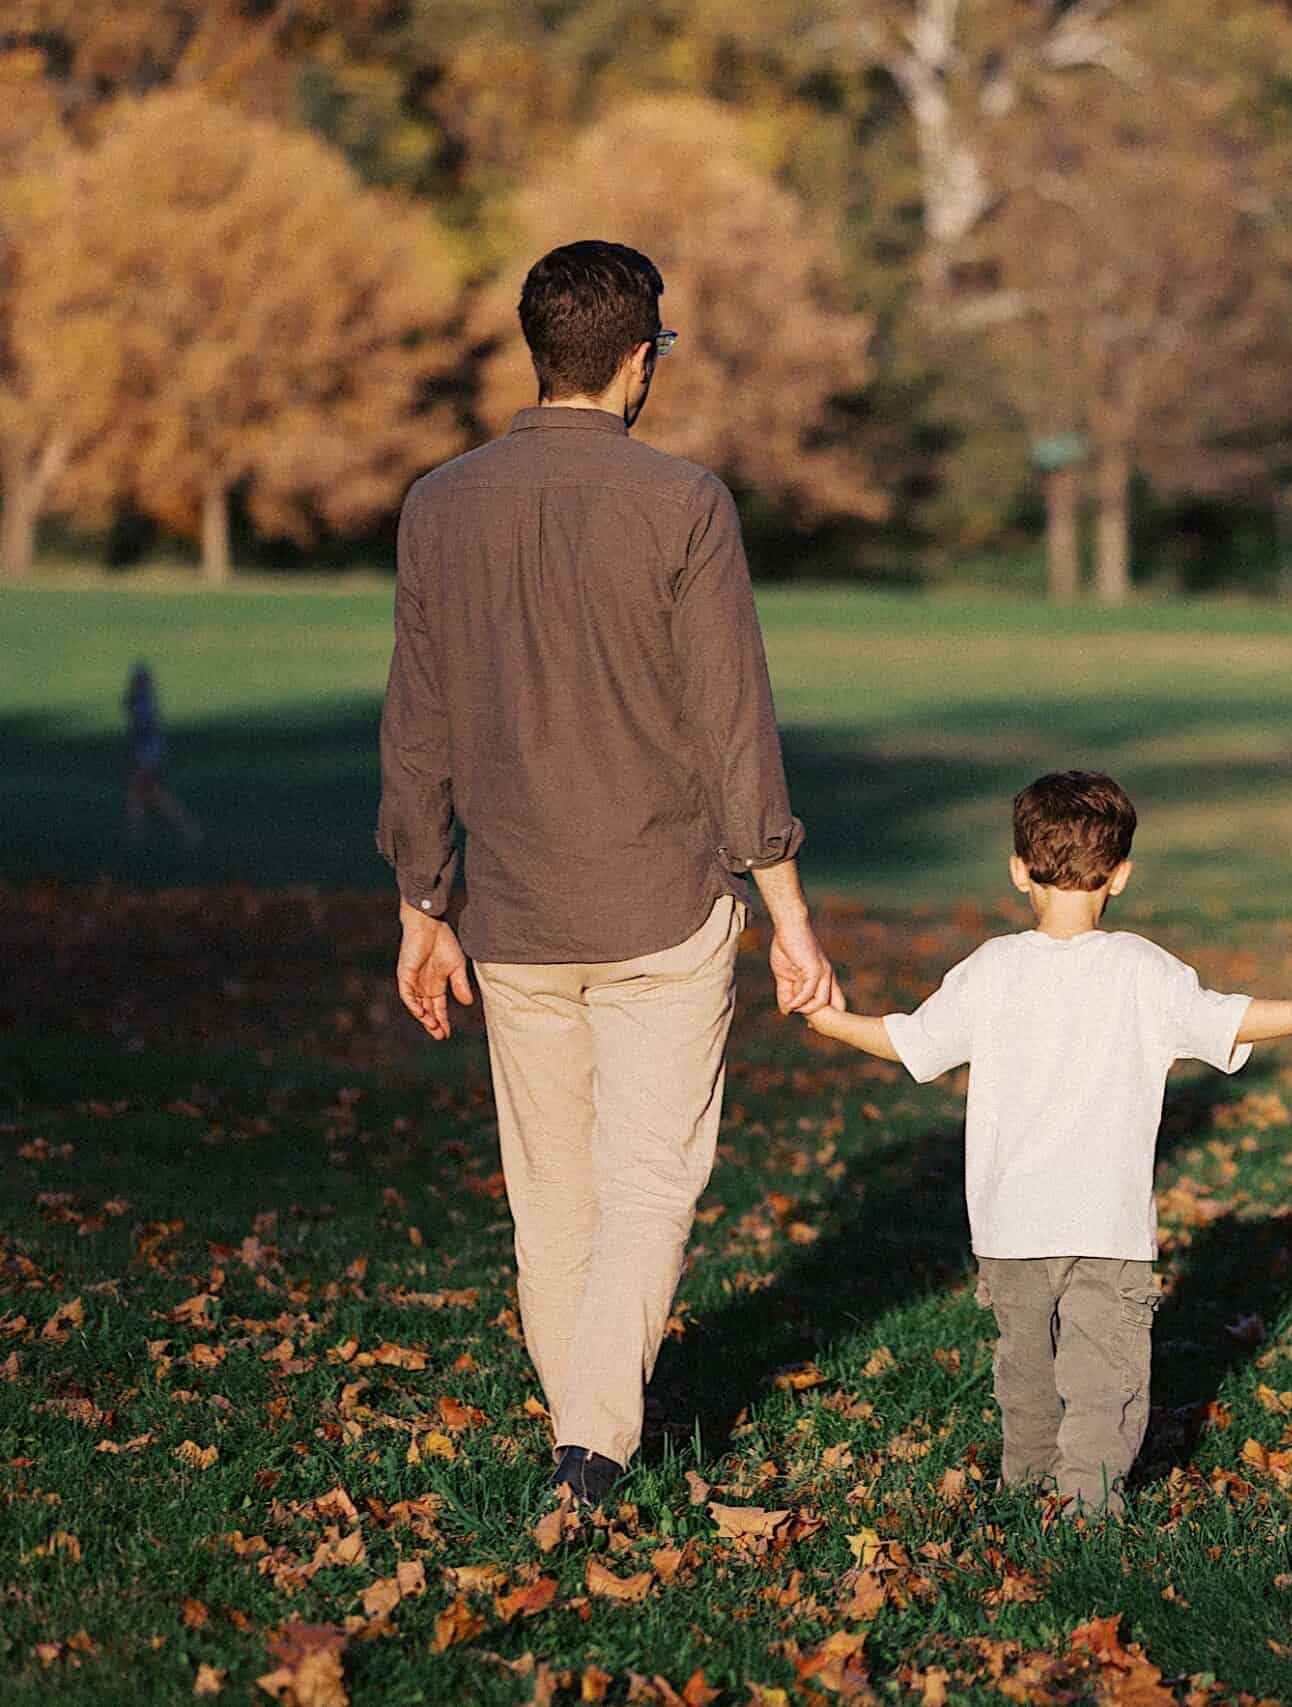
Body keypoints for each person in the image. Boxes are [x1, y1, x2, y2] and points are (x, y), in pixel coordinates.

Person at [377, 240, 839, 1509]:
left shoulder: (438, 503)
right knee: (647, 1187)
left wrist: (421, 904)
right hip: (661, 904)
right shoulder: (683, 502)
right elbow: (733, 725)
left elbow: (415, 728)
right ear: (639, 360)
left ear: (541, 352)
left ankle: (584, 1430)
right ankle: (591, 1448)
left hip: (512, 914)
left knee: (554, 1200)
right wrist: (789, 917)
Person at [803, 771, 1292, 1513]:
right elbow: (1233, 1021)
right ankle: (1086, 1509)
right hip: (1107, 1231)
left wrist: (829, 1021)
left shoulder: (991, 969)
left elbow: (909, 1042)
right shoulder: (1142, 969)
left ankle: (1027, 1490)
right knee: (1104, 1379)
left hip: (1009, 1229)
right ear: (1122, 876)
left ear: (1018, 870)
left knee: (1027, 1374)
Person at [122, 661, 203, 848]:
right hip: (148, 756)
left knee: (151, 796)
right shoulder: (143, 699)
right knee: (142, 795)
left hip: (147, 757)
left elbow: (142, 729)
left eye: (136, 680)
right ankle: (136, 833)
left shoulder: (143, 702)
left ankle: (188, 830)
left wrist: (142, 758)